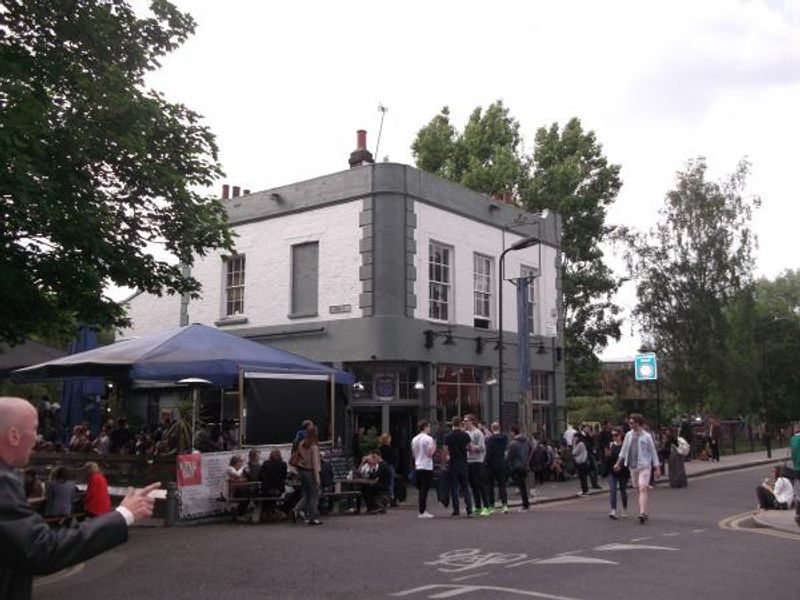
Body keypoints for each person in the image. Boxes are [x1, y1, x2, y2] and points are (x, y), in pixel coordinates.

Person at [0, 396, 158, 600]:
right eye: (34, 429)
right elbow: (43, 550)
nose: (37, 436)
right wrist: (123, 514)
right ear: (13, 435)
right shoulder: (3, 481)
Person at [614, 413, 661, 524]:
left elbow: (653, 452)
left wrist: (657, 468)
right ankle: (643, 509)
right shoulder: (628, 435)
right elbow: (624, 451)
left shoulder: (647, 436)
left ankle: (642, 513)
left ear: (638, 423)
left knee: (643, 488)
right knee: (638, 488)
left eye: (631, 422)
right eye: (629, 422)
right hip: (632, 466)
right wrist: (618, 463)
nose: (629, 424)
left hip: (644, 465)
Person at [444, 417, 473, 517]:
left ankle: (456, 510)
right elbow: (471, 448)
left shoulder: (448, 436)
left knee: (454, 488)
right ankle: (469, 510)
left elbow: (446, 452)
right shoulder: (465, 435)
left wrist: (448, 458)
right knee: (465, 487)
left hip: (453, 464)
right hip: (464, 463)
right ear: (460, 423)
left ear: (452, 423)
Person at [294, 424, 322, 525]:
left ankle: (296, 510)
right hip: (311, 472)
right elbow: (315, 462)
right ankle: (313, 518)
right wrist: (317, 477)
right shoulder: (314, 446)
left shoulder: (301, 443)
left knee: (307, 495)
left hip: (302, 471)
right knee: (314, 495)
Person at [464, 415, 491, 516]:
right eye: (464, 421)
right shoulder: (466, 433)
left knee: (481, 485)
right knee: (473, 485)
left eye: (466, 421)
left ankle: (486, 507)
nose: (465, 422)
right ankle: (478, 506)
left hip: (478, 461)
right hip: (468, 461)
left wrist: (472, 448)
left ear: (472, 421)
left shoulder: (478, 433)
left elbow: (482, 448)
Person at [411, 420, 436, 518]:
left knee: (421, 489)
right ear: (425, 427)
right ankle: (422, 511)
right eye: (429, 427)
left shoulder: (414, 439)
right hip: (426, 466)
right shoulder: (429, 439)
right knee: (424, 490)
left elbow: (414, 454)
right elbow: (430, 454)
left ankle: (422, 510)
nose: (429, 429)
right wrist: (434, 447)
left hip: (418, 465)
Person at [506, 425, 532, 512]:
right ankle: (526, 504)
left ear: (513, 432)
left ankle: (525, 505)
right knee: (523, 486)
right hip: (524, 465)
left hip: (517, 466)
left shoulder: (513, 444)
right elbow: (531, 449)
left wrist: (509, 466)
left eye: (511, 432)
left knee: (521, 486)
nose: (510, 434)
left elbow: (510, 457)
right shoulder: (527, 441)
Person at [485, 422, 508, 513]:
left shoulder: (490, 439)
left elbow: (489, 452)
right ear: (499, 428)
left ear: (491, 428)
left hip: (492, 464)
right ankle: (504, 505)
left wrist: (485, 461)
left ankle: (492, 506)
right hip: (501, 463)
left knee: (490, 485)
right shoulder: (504, 438)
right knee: (502, 485)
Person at [606, 428, 629, 519]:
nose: (614, 437)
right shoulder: (610, 445)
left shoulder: (625, 446)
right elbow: (607, 459)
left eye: (616, 435)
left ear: (620, 435)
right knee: (613, 490)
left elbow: (627, 459)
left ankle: (624, 509)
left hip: (623, 472)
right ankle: (613, 510)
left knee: (623, 490)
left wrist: (621, 466)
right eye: (613, 435)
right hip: (612, 471)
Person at [572, 432, 590, 497]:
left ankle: (585, 492)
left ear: (578, 437)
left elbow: (574, 452)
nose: (574, 438)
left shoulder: (580, 444)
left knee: (583, 478)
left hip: (581, 463)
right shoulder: (582, 443)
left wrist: (574, 444)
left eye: (575, 437)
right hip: (583, 462)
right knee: (583, 478)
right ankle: (585, 491)